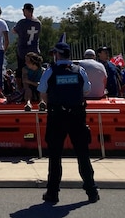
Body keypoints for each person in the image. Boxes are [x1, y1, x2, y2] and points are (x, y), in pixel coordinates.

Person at [38, 41, 99, 205]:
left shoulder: (50, 71)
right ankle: (92, 190)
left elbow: (42, 91)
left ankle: (52, 193)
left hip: (57, 116)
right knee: (82, 154)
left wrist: (51, 101)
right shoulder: (80, 70)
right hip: (77, 116)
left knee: (55, 156)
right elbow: (86, 89)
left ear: (57, 54)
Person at [13, 3, 41, 91]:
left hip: (23, 50)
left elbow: (14, 31)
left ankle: (20, 89)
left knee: (20, 70)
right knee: (36, 70)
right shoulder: (38, 23)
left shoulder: (22, 22)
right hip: (34, 50)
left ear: (26, 11)